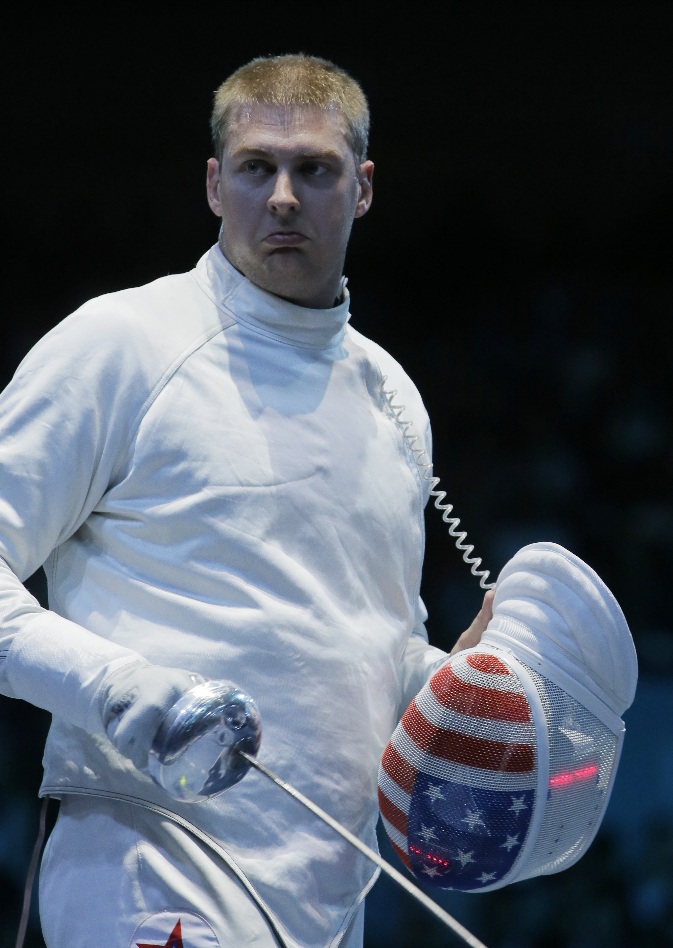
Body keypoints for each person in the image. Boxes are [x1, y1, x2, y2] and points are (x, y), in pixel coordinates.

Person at [0, 53, 492, 947]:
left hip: (334, 897)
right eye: (256, 167)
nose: (283, 198)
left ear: (364, 187)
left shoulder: (392, 397)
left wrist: (456, 690)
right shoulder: (125, 343)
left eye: (314, 169)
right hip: (149, 866)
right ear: (213, 184)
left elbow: (362, 642)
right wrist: (116, 687)